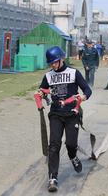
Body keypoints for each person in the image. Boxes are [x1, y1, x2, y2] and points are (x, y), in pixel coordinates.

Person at [39, 46, 92, 192]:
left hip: (72, 114)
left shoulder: (74, 73)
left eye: (55, 62)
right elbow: (43, 90)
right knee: (54, 145)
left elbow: (87, 89)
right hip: (55, 114)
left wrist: (83, 96)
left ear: (61, 59)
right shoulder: (48, 76)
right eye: (51, 63)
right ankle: (53, 178)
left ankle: (73, 156)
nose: (53, 65)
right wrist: (42, 94)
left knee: (70, 144)